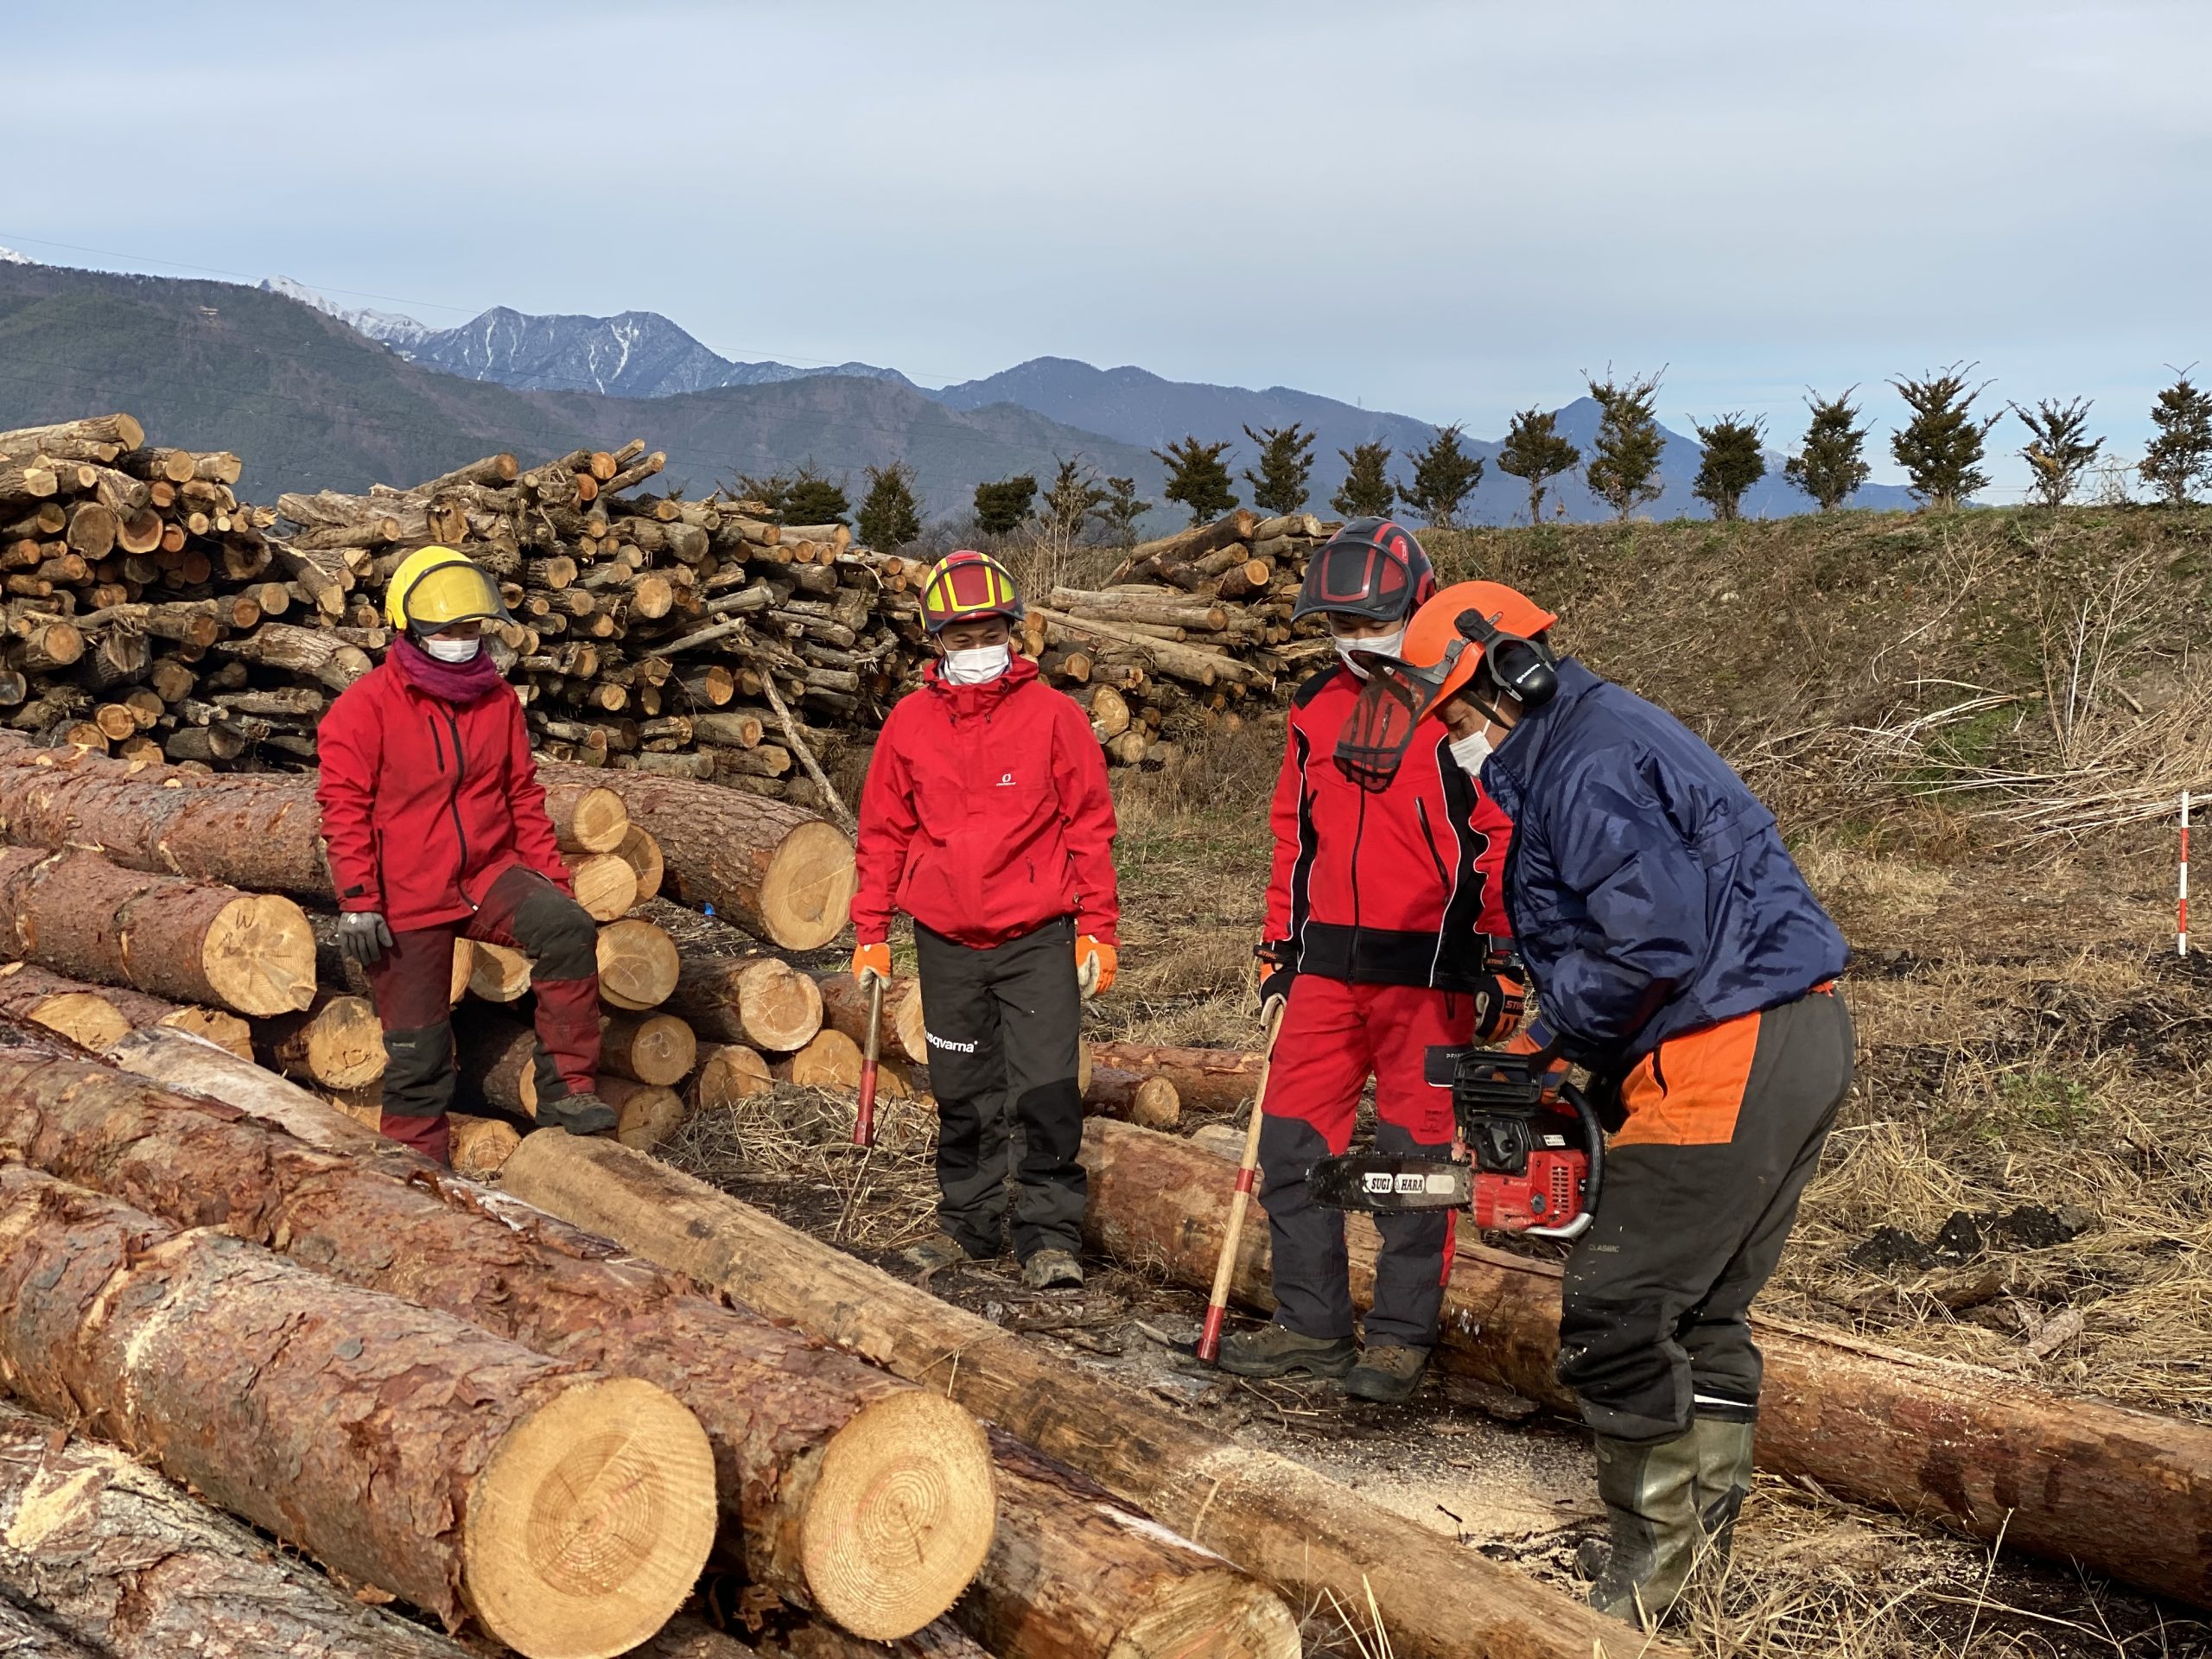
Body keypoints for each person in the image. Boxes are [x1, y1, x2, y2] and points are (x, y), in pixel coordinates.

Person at [1342, 578, 1853, 1629]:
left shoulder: (1584, 762)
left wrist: (1541, 1040)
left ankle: (1649, 1576)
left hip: (1728, 1045)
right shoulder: (1584, 742)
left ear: (1505, 679)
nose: (1451, 737)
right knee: (1699, 1313)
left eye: (1452, 715)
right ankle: (1694, 1561)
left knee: (1616, 1314)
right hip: (1778, 1028)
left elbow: (1652, 939)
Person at [1218, 519, 1521, 1404]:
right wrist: (1278, 950)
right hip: (1322, 971)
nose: (1356, 643)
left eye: (1370, 623)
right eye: (1340, 628)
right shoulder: (1312, 708)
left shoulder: (1459, 706)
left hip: (1431, 974)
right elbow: (1293, 837)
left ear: (1416, 605)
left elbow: (1497, 836)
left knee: (1415, 1159)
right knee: (1291, 1146)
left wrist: (1500, 956)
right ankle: (1309, 1325)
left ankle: (1398, 1337)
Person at [849, 550, 1121, 1291]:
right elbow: (882, 834)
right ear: (937, 642)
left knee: (1045, 1090)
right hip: (945, 941)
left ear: (1015, 632)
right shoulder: (908, 724)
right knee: (963, 1091)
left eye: (990, 634)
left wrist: (1099, 926)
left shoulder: (1056, 718)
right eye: (962, 639)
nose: (978, 651)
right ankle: (967, 1225)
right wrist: (871, 932)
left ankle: (1048, 1234)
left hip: (1036, 939)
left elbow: (1089, 827)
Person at [316, 546, 614, 1165]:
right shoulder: (362, 709)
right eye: (449, 630)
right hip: (405, 892)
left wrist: (552, 882)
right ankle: (417, 1173)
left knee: (567, 929)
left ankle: (568, 1093)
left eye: (473, 628)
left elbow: (522, 795)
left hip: (487, 873)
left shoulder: (496, 699)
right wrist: (359, 902)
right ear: (410, 630)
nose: (463, 640)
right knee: (419, 1054)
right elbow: (343, 811)